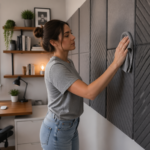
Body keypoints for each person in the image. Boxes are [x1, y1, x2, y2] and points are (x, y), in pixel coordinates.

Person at [33, 19, 129, 150]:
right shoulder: (56, 68)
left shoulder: (67, 63)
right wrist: (116, 63)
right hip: (57, 130)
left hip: (69, 127)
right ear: (53, 42)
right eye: (66, 35)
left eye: (71, 33)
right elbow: (90, 93)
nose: (73, 37)